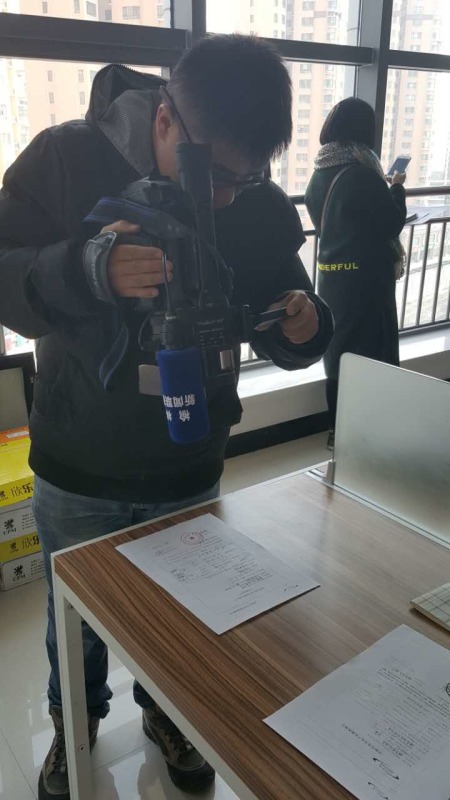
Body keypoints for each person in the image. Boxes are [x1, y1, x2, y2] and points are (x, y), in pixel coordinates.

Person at [0, 35, 333, 799]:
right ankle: (74, 724)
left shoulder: (252, 200)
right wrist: (87, 266)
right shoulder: (64, 160)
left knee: (182, 614)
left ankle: (167, 713)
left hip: (189, 464)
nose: (226, 198)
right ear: (163, 119)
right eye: (216, 176)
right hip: (79, 463)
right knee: (72, 618)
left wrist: (304, 323)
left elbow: (289, 307)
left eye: (247, 179)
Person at [305, 97, 407, 450]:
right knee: (374, 351)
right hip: (367, 280)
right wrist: (397, 187)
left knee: (340, 352)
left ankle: (338, 431)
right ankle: (372, 430)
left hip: (332, 276)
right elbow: (391, 223)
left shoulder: (321, 171)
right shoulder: (363, 173)